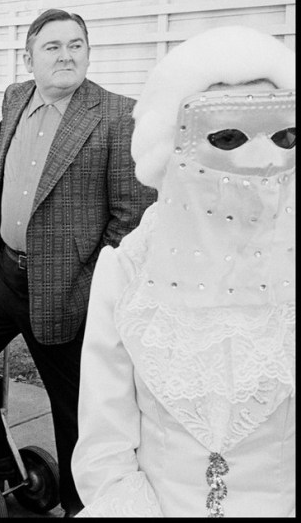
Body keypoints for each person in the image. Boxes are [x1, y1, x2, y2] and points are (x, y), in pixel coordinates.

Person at [71, 26, 296, 517]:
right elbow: (105, 445)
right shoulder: (129, 272)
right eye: (228, 136)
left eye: (285, 135)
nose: (265, 157)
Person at [0, 9, 157, 516]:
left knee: (77, 413)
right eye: (53, 46)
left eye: (76, 45)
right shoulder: (19, 96)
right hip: (0, 275)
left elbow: (130, 220)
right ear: (29, 57)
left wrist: (89, 292)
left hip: (68, 291)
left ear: (88, 50)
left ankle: (84, 505)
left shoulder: (116, 115)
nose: (66, 55)